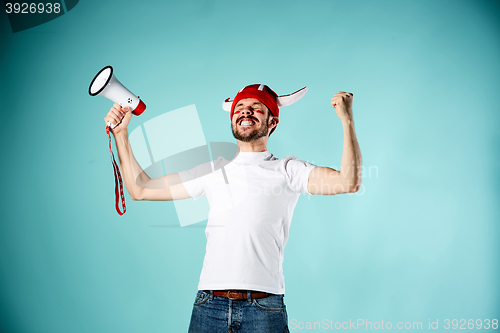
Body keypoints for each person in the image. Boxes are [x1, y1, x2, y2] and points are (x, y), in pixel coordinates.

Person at [104, 84, 362, 333]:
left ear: (272, 122)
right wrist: (120, 133)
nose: (246, 111)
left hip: (263, 308)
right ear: (232, 119)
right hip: (209, 305)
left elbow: (348, 181)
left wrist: (346, 119)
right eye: (240, 106)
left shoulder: (288, 170)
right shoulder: (212, 170)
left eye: (256, 107)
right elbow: (140, 189)